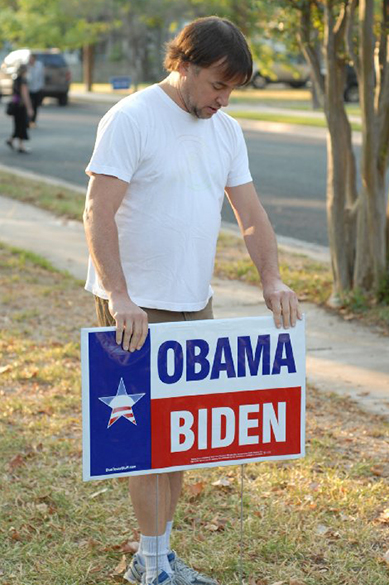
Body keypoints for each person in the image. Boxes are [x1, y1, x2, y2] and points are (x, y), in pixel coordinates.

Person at [83, 16, 302, 585]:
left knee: (179, 442)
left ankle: (157, 557)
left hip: (192, 301)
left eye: (233, 89)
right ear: (182, 64)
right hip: (135, 306)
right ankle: (151, 565)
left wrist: (272, 279)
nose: (223, 100)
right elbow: (97, 211)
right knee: (144, 445)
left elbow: (250, 217)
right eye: (217, 85)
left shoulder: (225, 130)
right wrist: (120, 294)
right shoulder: (130, 118)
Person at [6, 64, 34, 154]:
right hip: (21, 106)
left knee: (17, 125)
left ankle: (11, 140)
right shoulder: (23, 81)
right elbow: (25, 95)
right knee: (22, 125)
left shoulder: (16, 80)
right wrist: (29, 107)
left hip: (15, 105)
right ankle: (21, 146)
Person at [27, 54, 45, 126]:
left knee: (35, 106)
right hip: (29, 89)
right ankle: (28, 120)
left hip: (37, 88)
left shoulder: (39, 65)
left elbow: (41, 77)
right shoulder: (27, 66)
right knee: (29, 105)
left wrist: (41, 87)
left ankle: (33, 121)